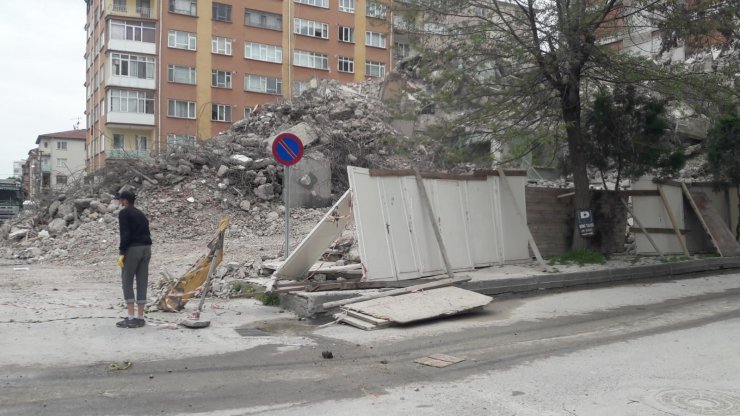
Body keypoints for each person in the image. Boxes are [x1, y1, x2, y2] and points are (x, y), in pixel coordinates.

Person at [116, 190, 152, 328]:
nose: (119, 202)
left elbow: (125, 234)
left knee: (127, 279)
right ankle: (140, 317)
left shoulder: (124, 213)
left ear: (125, 201)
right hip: (146, 249)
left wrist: (121, 252)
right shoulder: (140, 213)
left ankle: (131, 317)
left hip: (133, 249)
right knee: (142, 281)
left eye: (120, 200)